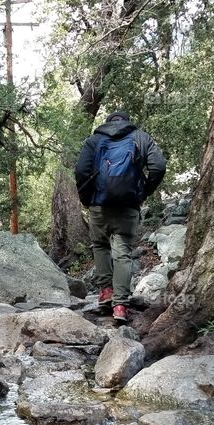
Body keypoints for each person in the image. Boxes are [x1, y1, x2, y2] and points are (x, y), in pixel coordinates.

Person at [74, 111, 166, 322]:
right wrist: (143, 192)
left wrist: (87, 198)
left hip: (99, 205)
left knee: (100, 246)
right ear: (127, 121)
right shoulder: (141, 138)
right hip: (128, 205)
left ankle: (106, 293)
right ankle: (120, 307)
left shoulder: (94, 140)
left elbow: (81, 171)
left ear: (107, 123)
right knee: (123, 253)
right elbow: (158, 167)